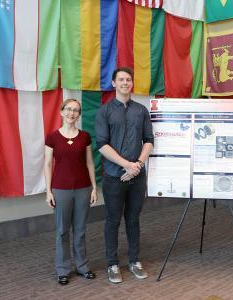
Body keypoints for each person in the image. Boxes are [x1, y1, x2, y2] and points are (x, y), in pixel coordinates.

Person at [95, 67, 154, 284]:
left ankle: (134, 260)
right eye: (121, 79)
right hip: (113, 176)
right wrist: (126, 165)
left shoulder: (141, 110)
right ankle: (112, 264)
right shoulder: (104, 111)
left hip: (137, 176)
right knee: (112, 220)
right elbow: (101, 145)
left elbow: (149, 140)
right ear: (113, 83)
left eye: (128, 79)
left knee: (133, 219)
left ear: (132, 83)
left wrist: (137, 164)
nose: (125, 83)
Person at [44, 99, 98, 285]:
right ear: (61, 112)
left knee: (80, 230)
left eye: (75, 110)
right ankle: (63, 269)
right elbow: (48, 164)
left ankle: (82, 266)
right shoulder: (52, 137)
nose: (71, 113)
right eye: (68, 109)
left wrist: (94, 187)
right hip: (60, 190)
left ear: (79, 114)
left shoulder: (85, 137)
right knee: (62, 231)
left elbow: (90, 163)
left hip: (83, 189)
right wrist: (48, 191)